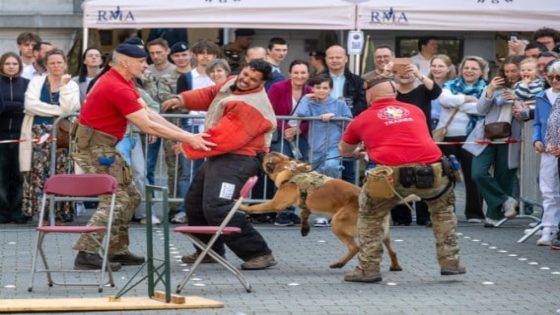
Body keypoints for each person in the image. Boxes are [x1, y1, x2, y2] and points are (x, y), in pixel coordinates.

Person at [72, 43, 214, 271]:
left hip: (104, 146)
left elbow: (149, 113)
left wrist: (185, 135)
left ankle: (116, 249)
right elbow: (146, 125)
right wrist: (188, 138)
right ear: (125, 62)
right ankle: (87, 252)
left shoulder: (122, 80)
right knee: (117, 199)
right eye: (141, 61)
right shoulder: (115, 85)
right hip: (94, 148)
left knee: (132, 196)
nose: (146, 64)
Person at [339, 77, 465, 283]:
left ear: (369, 95)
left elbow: (345, 150)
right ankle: (450, 262)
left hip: (389, 175)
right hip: (431, 170)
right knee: (443, 213)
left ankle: (368, 268)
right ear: (395, 93)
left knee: (371, 217)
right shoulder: (415, 111)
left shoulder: (361, 118)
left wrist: (360, 151)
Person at [161, 59, 278, 270]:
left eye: (252, 79)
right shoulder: (232, 82)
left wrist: (189, 146)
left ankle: (258, 252)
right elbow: (210, 94)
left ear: (261, 83)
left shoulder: (251, 105)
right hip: (224, 156)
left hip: (240, 159)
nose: (245, 80)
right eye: (245, 74)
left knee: (217, 206)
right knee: (194, 204)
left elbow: (226, 136)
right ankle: (209, 251)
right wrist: (182, 99)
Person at [20, 48, 80, 222]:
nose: (56, 66)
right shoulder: (37, 82)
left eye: (59, 62)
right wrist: (57, 111)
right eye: (52, 63)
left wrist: (64, 87)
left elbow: (70, 108)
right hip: (39, 132)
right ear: (46, 65)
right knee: (39, 173)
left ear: (65, 64)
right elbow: (30, 105)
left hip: (63, 134)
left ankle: (62, 213)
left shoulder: (72, 84)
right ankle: (43, 214)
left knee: (63, 171)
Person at [465, 57, 523, 227]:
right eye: (507, 71)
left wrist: (516, 98)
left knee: (504, 176)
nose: (510, 74)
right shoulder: (494, 86)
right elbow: (481, 109)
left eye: (514, 71)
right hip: (488, 136)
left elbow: (527, 110)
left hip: (512, 138)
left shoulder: (526, 88)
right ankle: (506, 200)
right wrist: (489, 90)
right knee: (478, 172)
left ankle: (494, 216)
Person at [172, 39, 220, 224]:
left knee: (214, 171)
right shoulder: (186, 78)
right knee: (188, 171)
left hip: (214, 128)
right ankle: (185, 209)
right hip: (191, 126)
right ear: (196, 55)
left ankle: (207, 209)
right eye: (202, 52)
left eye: (209, 53)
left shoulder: (218, 77)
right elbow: (180, 104)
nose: (205, 56)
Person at [436, 56, 487, 222]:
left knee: (472, 176)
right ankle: (445, 211)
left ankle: (474, 213)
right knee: (446, 177)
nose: (469, 71)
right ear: (460, 69)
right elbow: (443, 99)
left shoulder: (486, 88)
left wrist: (456, 102)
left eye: (474, 68)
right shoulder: (450, 85)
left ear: (481, 72)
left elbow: (482, 109)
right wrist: (467, 99)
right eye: (466, 67)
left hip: (472, 136)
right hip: (447, 136)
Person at [393, 62, 442, 226]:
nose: (405, 74)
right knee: (399, 177)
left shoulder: (422, 90)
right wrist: (386, 75)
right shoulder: (390, 91)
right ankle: (401, 216)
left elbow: (436, 92)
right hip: (397, 140)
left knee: (424, 177)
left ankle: (425, 216)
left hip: (421, 139)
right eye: (401, 70)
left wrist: (420, 75)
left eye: (409, 70)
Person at [266, 60, 312, 226]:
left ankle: (291, 209)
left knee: (298, 172)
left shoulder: (311, 91)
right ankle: (281, 211)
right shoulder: (278, 88)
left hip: (302, 136)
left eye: (303, 73)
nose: (299, 76)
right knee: (283, 171)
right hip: (280, 134)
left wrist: (299, 130)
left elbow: (313, 114)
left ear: (308, 74)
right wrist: (285, 128)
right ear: (290, 73)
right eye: (296, 72)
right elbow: (270, 111)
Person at [0, 52, 29, 223]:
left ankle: (18, 210)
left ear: (19, 66)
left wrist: (7, 106)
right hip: (1, 135)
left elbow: (29, 106)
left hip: (22, 135)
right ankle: (3, 211)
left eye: (14, 64)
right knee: (1, 175)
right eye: (7, 63)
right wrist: (17, 107)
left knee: (19, 174)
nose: (11, 66)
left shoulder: (27, 84)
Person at [534, 60, 560, 245]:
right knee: (548, 191)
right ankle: (548, 229)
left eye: (558, 77)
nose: (554, 80)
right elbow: (537, 123)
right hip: (548, 149)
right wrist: (536, 139)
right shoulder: (542, 96)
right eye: (550, 77)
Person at [428, 54, 457, 130]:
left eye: (441, 66)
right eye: (433, 66)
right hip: (426, 123)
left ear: (448, 69)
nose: (436, 69)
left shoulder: (454, 87)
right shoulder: (425, 86)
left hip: (445, 126)